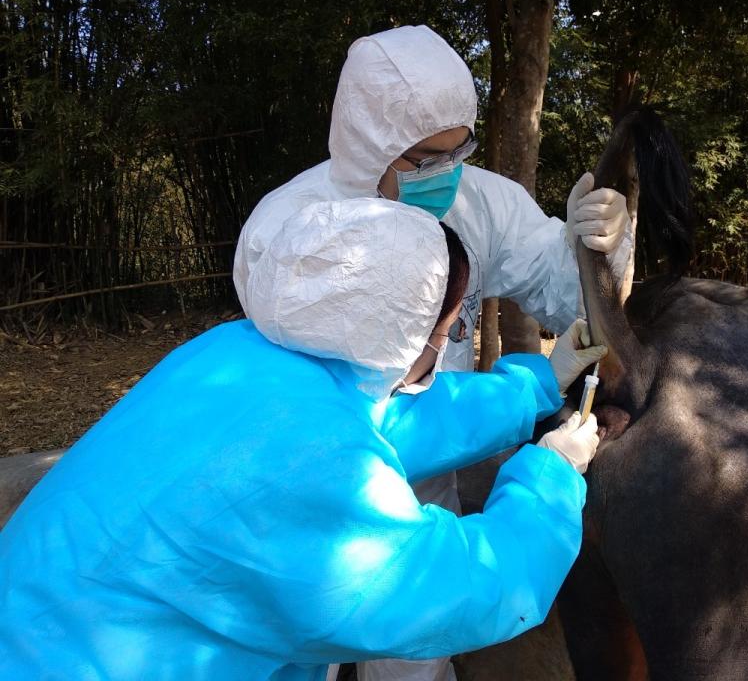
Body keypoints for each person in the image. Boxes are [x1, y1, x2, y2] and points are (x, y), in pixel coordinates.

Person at [0, 200, 604, 681]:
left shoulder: (238, 351)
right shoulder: (314, 471)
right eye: (442, 334)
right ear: (401, 334)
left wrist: (537, 384)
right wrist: (548, 479)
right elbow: (456, 587)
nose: (441, 351)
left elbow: (392, 416)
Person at [233, 25, 630, 681]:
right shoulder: (290, 240)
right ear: (369, 150)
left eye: (458, 149)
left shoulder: (478, 206)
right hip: (324, 513)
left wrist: (595, 255)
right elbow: (490, 586)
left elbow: (414, 419)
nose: (446, 174)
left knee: (408, 661)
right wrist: (551, 478)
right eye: (423, 158)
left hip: (404, 485)